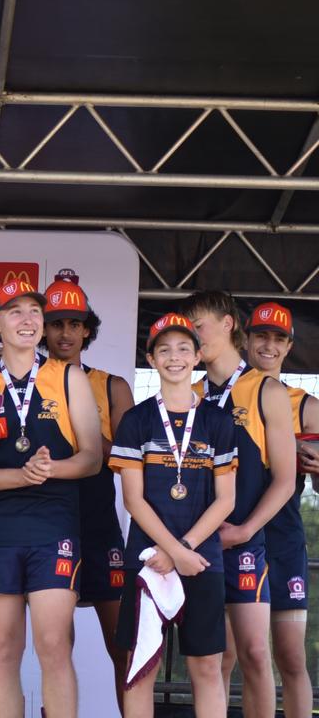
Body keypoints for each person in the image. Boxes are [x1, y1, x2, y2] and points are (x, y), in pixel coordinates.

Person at [0, 281, 101, 718]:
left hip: (53, 528)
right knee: (3, 649)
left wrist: (49, 471)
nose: (27, 320)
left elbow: (91, 458)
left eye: (33, 312)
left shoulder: (67, 375)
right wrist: (19, 477)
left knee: (53, 644)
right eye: (14, 312)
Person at [109, 313, 238, 718]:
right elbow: (134, 500)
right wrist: (170, 552)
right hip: (148, 560)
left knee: (206, 665)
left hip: (201, 559)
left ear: (198, 356)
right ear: (151, 359)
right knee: (140, 665)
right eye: (164, 349)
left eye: (184, 348)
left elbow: (226, 501)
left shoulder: (218, 422)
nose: (175, 357)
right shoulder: (137, 420)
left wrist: (182, 551)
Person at [179, 290, 295, 718]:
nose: (191, 337)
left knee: (253, 652)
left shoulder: (265, 389)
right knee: (210, 658)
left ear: (228, 325)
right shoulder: (186, 392)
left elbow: (285, 481)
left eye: (198, 327)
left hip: (246, 542)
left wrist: (246, 530)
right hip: (197, 548)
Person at [40, 275, 133, 709]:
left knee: (124, 649)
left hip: (98, 525)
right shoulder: (27, 383)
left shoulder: (112, 386)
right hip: (46, 522)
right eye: (56, 323)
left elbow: (134, 461)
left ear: (87, 330)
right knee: (54, 650)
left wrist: (88, 439)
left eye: (74, 324)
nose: (64, 333)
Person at [242, 302, 316, 718]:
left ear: (289, 346)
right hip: (232, 534)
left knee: (290, 659)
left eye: (278, 339)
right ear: (246, 340)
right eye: (261, 337)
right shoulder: (220, 397)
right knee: (231, 656)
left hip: (283, 539)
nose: (268, 346)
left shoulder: (305, 404)